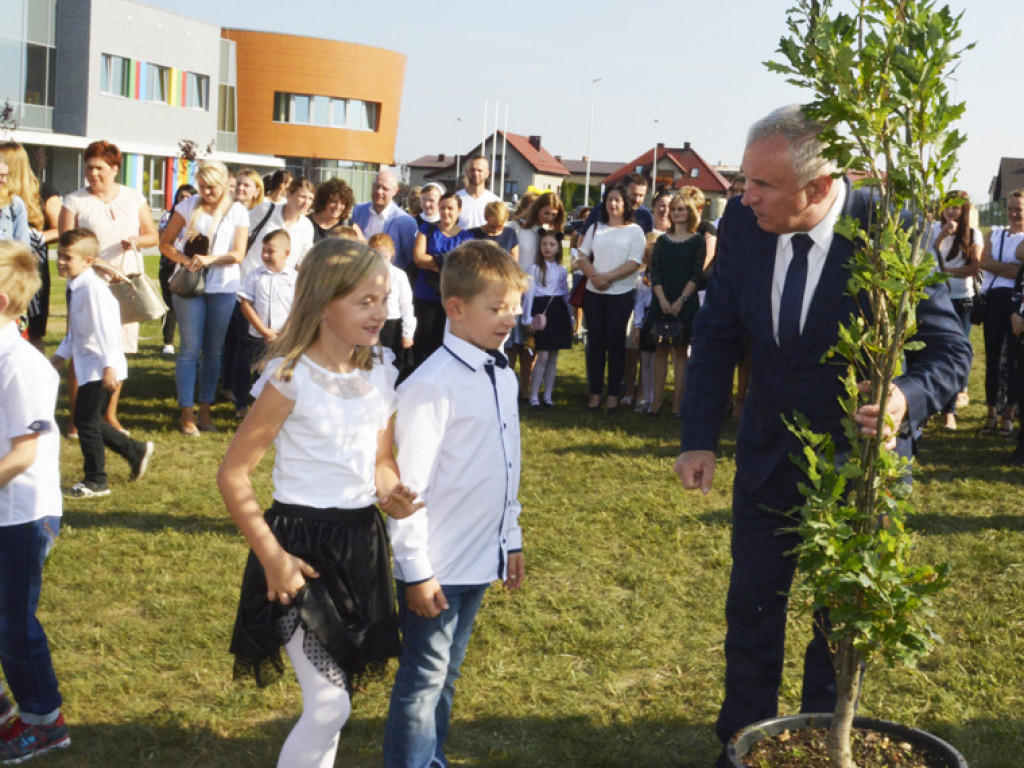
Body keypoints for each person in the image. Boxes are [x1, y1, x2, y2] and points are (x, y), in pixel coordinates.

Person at [672, 105, 970, 766]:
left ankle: (818, 737)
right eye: (743, 180)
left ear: (819, 185)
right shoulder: (745, 231)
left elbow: (950, 354)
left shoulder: (890, 233)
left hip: (857, 466)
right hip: (767, 454)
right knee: (751, 605)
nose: (742, 196)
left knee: (839, 620)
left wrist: (902, 398)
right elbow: (716, 334)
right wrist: (698, 437)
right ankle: (741, 740)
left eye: (762, 185)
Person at [218, 237, 422, 768]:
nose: (381, 312)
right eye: (366, 301)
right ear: (324, 303)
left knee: (337, 697)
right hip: (300, 549)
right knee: (329, 704)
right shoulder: (291, 377)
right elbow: (233, 473)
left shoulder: (378, 372)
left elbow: (379, 460)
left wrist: (389, 491)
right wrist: (274, 557)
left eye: (383, 299)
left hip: (361, 546)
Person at [383, 240, 527, 768]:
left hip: (477, 559)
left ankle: (430, 758)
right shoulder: (431, 386)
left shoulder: (503, 374)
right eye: (496, 308)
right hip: (437, 567)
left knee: (447, 671)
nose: (509, 319)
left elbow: (507, 468)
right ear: (456, 308)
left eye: (514, 307)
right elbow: (407, 492)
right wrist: (417, 572)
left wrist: (510, 540)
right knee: (423, 678)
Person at [0, 240, 69, 763]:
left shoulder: (22, 365)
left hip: (22, 513)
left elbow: (23, 454)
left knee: (14, 622)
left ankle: (44, 721)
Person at [59, 140, 159, 436]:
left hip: (125, 285)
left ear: (115, 169)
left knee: (116, 351)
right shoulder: (74, 200)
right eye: (89, 167)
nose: (93, 174)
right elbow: (67, 244)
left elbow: (153, 234)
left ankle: (109, 416)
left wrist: (137, 241)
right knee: (82, 349)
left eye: (99, 168)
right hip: (88, 285)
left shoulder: (132, 197)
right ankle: (78, 419)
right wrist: (100, 265)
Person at [51, 230, 155, 498]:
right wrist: (60, 356)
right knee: (89, 420)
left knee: (86, 423)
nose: (61, 261)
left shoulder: (94, 289)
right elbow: (75, 332)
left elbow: (107, 329)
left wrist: (110, 367)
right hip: (89, 365)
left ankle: (96, 480)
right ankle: (135, 450)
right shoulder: (76, 285)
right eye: (59, 256)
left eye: (67, 257)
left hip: (101, 367)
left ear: (88, 261)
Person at [159, 160, 249, 436]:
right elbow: (164, 244)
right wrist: (185, 259)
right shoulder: (187, 207)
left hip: (223, 288)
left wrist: (210, 259)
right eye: (201, 186)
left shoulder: (237, 211)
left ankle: (206, 409)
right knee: (189, 349)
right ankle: (187, 413)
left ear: (223, 185)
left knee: (213, 352)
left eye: (211, 187)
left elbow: (238, 254)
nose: (205, 191)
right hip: (189, 288)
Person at [575, 185, 646, 411]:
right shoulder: (596, 227)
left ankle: (614, 394)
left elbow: (634, 262)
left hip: (620, 294)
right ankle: (595, 393)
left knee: (616, 345)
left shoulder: (635, 231)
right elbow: (581, 256)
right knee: (595, 344)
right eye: (609, 200)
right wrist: (595, 277)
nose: (612, 204)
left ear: (625, 204)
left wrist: (608, 277)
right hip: (594, 293)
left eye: (617, 200)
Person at [649, 188, 706, 417]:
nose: (676, 213)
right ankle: (656, 401)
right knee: (660, 351)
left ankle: (677, 403)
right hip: (661, 299)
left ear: (689, 211)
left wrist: (681, 300)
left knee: (681, 353)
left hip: (687, 301)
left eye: (681, 209)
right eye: (673, 209)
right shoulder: (662, 241)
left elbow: (697, 274)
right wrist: (662, 299)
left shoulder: (698, 241)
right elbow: (655, 273)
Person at [0, 142, 59, 352]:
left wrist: (37, 237)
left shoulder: (40, 193)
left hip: (26, 270)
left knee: (31, 332)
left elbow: (61, 229)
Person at [931, 189, 981, 430]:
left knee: (956, 352)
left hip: (962, 300)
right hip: (936, 299)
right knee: (933, 352)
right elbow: (927, 257)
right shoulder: (934, 230)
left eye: (956, 207)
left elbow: (973, 268)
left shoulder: (973, 234)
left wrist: (946, 272)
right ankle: (934, 406)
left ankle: (949, 411)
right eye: (948, 206)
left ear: (964, 211)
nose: (951, 211)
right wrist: (941, 236)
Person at [236, 230, 298, 418]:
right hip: (259, 336)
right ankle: (246, 407)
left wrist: (285, 332)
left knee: (282, 374)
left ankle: (279, 410)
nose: (265, 256)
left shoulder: (294, 279)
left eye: (271, 252)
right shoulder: (255, 276)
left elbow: (298, 308)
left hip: (285, 338)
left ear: (286, 253)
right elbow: (246, 304)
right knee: (257, 373)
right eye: (264, 251)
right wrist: (264, 331)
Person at [410, 191, 473, 369]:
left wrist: (435, 261)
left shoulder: (466, 237)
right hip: (426, 295)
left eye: (450, 208)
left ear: (459, 210)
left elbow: (465, 268)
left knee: (447, 342)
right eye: (443, 207)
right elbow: (418, 258)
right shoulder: (427, 230)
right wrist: (449, 263)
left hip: (453, 297)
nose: (446, 212)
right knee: (423, 341)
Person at [980, 190, 1024, 436]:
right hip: (994, 301)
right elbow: (981, 262)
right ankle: (990, 412)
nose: (1014, 213)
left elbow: (1020, 274)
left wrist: (997, 266)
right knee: (993, 358)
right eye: (1011, 208)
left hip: (1016, 302)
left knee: (1015, 360)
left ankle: (1009, 412)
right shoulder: (994, 234)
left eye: (1019, 209)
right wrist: (1012, 269)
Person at [523, 229, 572, 407]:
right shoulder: (534, 269)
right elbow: (528, 294)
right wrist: (527, 318)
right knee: (542, 355)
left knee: (553, 356)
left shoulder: (562, 270)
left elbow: (565, 294)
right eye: (544, 244)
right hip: (540, 311)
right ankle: (534, 394)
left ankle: (548, 395)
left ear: (558, 248)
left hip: (557, 311)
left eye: (552, 245)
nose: (548, 248)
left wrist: (571, 315)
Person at [368, 233, 415, 379]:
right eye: (376, 256)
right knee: (371, 363)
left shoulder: (399, 275)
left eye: (385, 256)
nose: (381, 261)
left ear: (392, 255)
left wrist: (408, 333)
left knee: (391, 365)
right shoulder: (365, 274)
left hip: (391, 325)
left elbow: (407, 305)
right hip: (370, 323)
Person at [157, 185, 197, 355]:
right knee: (169, 305)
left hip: (190, 267)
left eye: (189, 197)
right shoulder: (168, 216)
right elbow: (162, 240)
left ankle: (189, 341)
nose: (185, 200)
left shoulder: (198, 217)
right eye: (181, 196)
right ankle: (168, 342)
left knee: (189, 306)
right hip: (169, 265)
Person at [351, 171, 418, 272]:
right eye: (376, 186)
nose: (379, 192)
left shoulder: (405, 222)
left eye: (385, 188)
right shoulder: (358, 211)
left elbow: (410, 261)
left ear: (395, 191)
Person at [583, 173, 654, 234]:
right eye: (634, 194)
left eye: (641, 196)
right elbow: (584, 237)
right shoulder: (600, 210)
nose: (637, 199)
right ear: (624, 190)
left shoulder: (645, 216)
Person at [455, 155, 500, 229]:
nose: (476, 174)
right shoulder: (455, 200)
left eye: (479, 170)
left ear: (487, 173)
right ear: (467, 172)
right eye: (472, 170)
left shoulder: (495, 202)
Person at [308, 178, 359, 243]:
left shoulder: (347, 225)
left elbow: (364, 248)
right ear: (323, 201)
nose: (338, 206)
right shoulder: (306, 222)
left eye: (342, 203)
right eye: (334, 202)